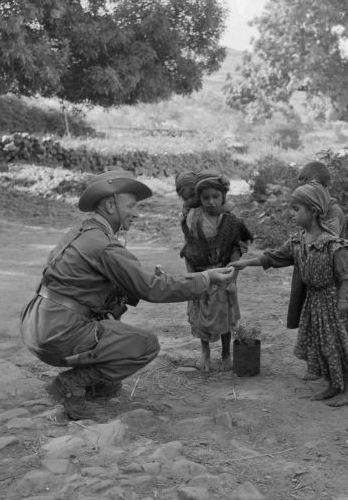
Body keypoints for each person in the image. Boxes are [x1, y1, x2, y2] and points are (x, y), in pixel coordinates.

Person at [20, 169, 234, 420]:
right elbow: (153, 288)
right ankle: (72, 383)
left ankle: (93, 381)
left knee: (113, 326)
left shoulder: (83, 230)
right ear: (111, 205)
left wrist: (137, 283)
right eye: (131, 206)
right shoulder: (104, 245)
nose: (135, 212)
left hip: (38, 326)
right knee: (145, 344)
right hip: (59, 334)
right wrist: (206, 278)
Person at [229, 182, 348, 407]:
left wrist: (342, 300)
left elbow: (345, 274)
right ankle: (333, 385)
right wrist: (245, 263)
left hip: (334, 300)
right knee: (322, 346)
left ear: (313, 211)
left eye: (296, 209)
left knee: (339, 344)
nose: (292, 213)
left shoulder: (333, 244)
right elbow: (273, 258)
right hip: (315, 302)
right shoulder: (298, 241)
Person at [180, 172, 253, 372]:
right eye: (205, 198)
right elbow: (189, 251)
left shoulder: (231, 222)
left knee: (226, 316)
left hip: (225, 276)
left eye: (216, 197)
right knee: (201, 313)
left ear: (223, 197)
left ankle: (226, 354)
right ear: (199, 199)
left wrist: (232, 279)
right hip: (202, 276)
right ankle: (205, 353)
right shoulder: (194, 221)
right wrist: (192, 277)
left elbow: (237, 249)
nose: (211, 202)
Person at [289, 161, 347, 381]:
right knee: (311, 321)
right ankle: (315, 365)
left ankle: (329, 368)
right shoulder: (312, 212)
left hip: (326, 281)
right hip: (309, 273)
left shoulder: (333, 213)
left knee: (327, 326)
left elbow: (326, 243)